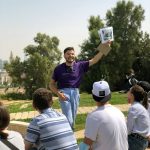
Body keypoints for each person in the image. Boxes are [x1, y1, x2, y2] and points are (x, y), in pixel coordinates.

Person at [50, 42, 111, 129]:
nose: (70, 55)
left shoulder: (80, 65)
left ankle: (70, 135)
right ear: (64, 55)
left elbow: (95, 60)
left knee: (73, 119)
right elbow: (51, 84)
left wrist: (105, 47)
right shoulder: (58, 68)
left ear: (74, 55)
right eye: (68, 54)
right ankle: (68, 136)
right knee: (69, 119)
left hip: (75, 93)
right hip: (64, 94)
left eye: (72, 54)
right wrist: (58, 93)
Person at [79, 80, 128, 150]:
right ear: (109, 94)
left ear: (93, 95)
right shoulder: (119, 112)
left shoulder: (93, 116)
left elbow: (86, 145)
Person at [127, 85, 150, 150]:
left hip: (136, 141)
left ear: (132, 95)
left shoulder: (134, 108)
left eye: (128, 91)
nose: (127, 93)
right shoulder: (139, 106)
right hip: (143, 141)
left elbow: (128, 130)